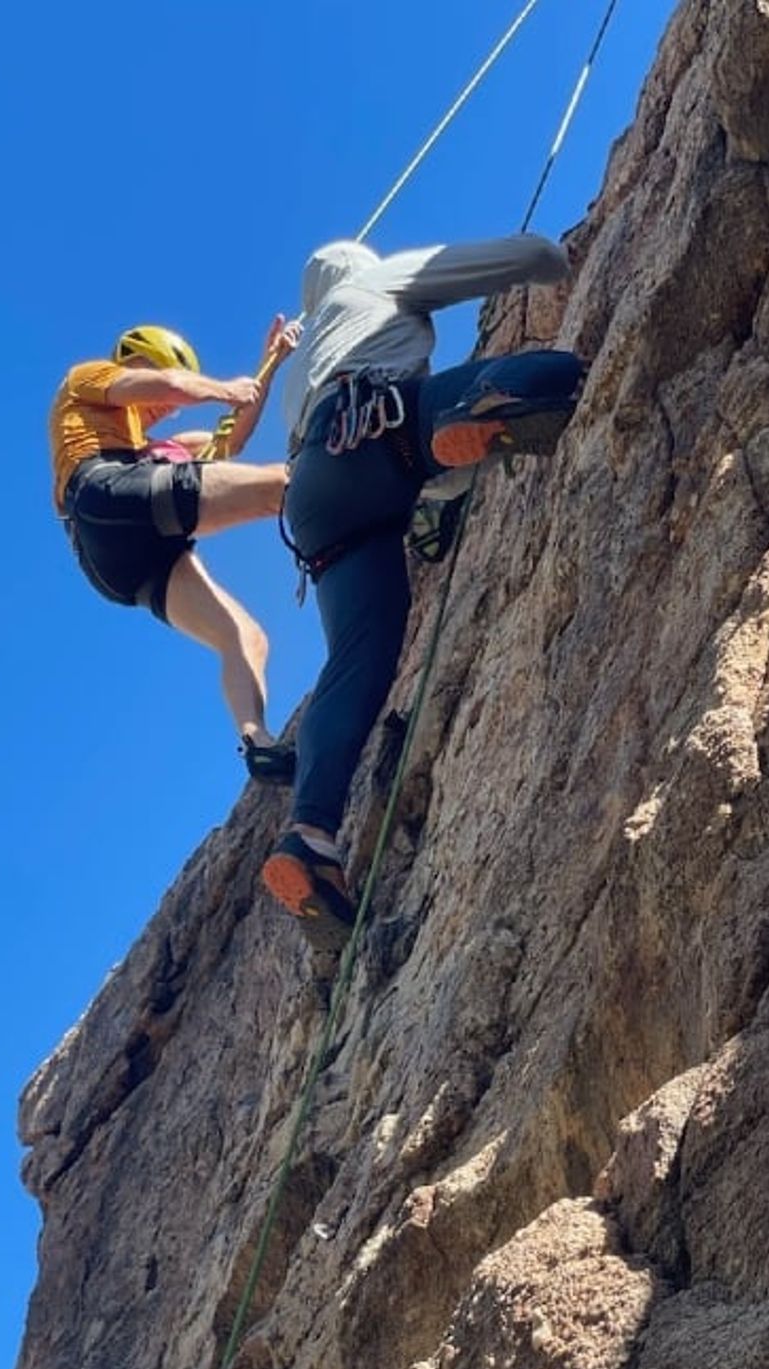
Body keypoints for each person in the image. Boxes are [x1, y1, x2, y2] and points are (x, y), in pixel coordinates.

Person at [259, 236, 584, 950]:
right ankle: (465, 427)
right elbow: (502, 260)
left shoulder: (294, 376)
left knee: (356, 661)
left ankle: (309, 835)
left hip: (315, 496)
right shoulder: (373, 282)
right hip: (383, 428)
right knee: (558, 377)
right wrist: (555, 260)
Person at [49, 318, 301, 783]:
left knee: (245, 636)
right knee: (286, 484)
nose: (166, 409)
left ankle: (257, 744)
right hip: (104, 490)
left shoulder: (162, 448)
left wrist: (273, 362)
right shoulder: (87, 378)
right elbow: (167, 384)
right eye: (163, 402)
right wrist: (224, 389)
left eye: (170, 409)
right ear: (133, 359)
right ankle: (402, 501)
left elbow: (231, 440)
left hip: (129, 563)